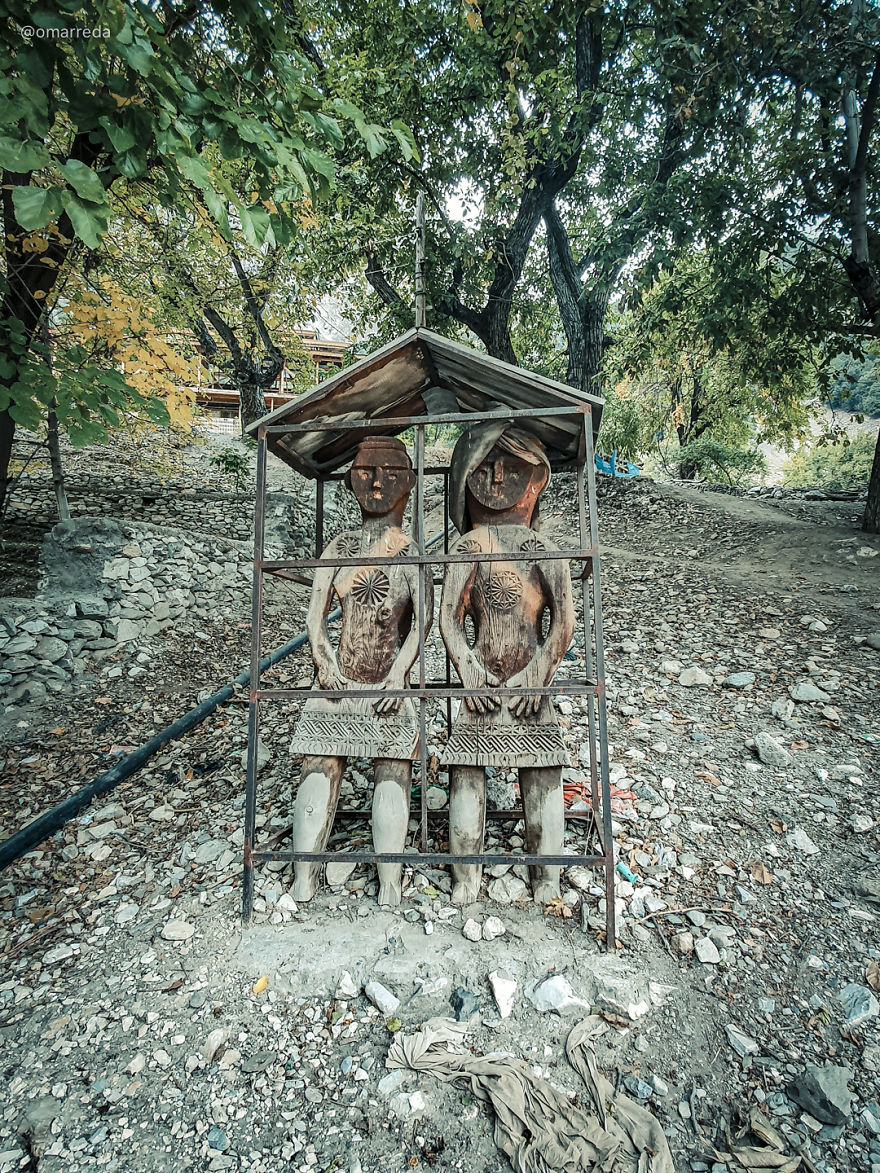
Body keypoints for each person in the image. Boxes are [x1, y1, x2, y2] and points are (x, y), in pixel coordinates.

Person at [289, 436, 431, 905]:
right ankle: (304, 874)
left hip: (390, 685)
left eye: (389, 473)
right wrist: (323, 658)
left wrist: (400, 674)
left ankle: (389, 878)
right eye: (367, 471)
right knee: (318, 768)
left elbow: (423, 623)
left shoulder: (411, 552)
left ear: (407, 482)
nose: (376, 482)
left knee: (393, 772)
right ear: (352, 479)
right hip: (337, 681)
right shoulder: (341, 545)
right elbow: (315, 615)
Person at [439, 421, 574, 905]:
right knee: (466, 776)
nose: (497, 479)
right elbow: (449, 620)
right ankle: (465, 879)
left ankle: (548, 881)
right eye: (484, 468)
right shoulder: (467, 549)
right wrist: (469, 670)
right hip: (478, 688)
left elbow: (564, 623)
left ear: (536, 479)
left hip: (532, 688)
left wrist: (539, 672)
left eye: (511, 467)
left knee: (543, 776)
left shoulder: (544, 551)